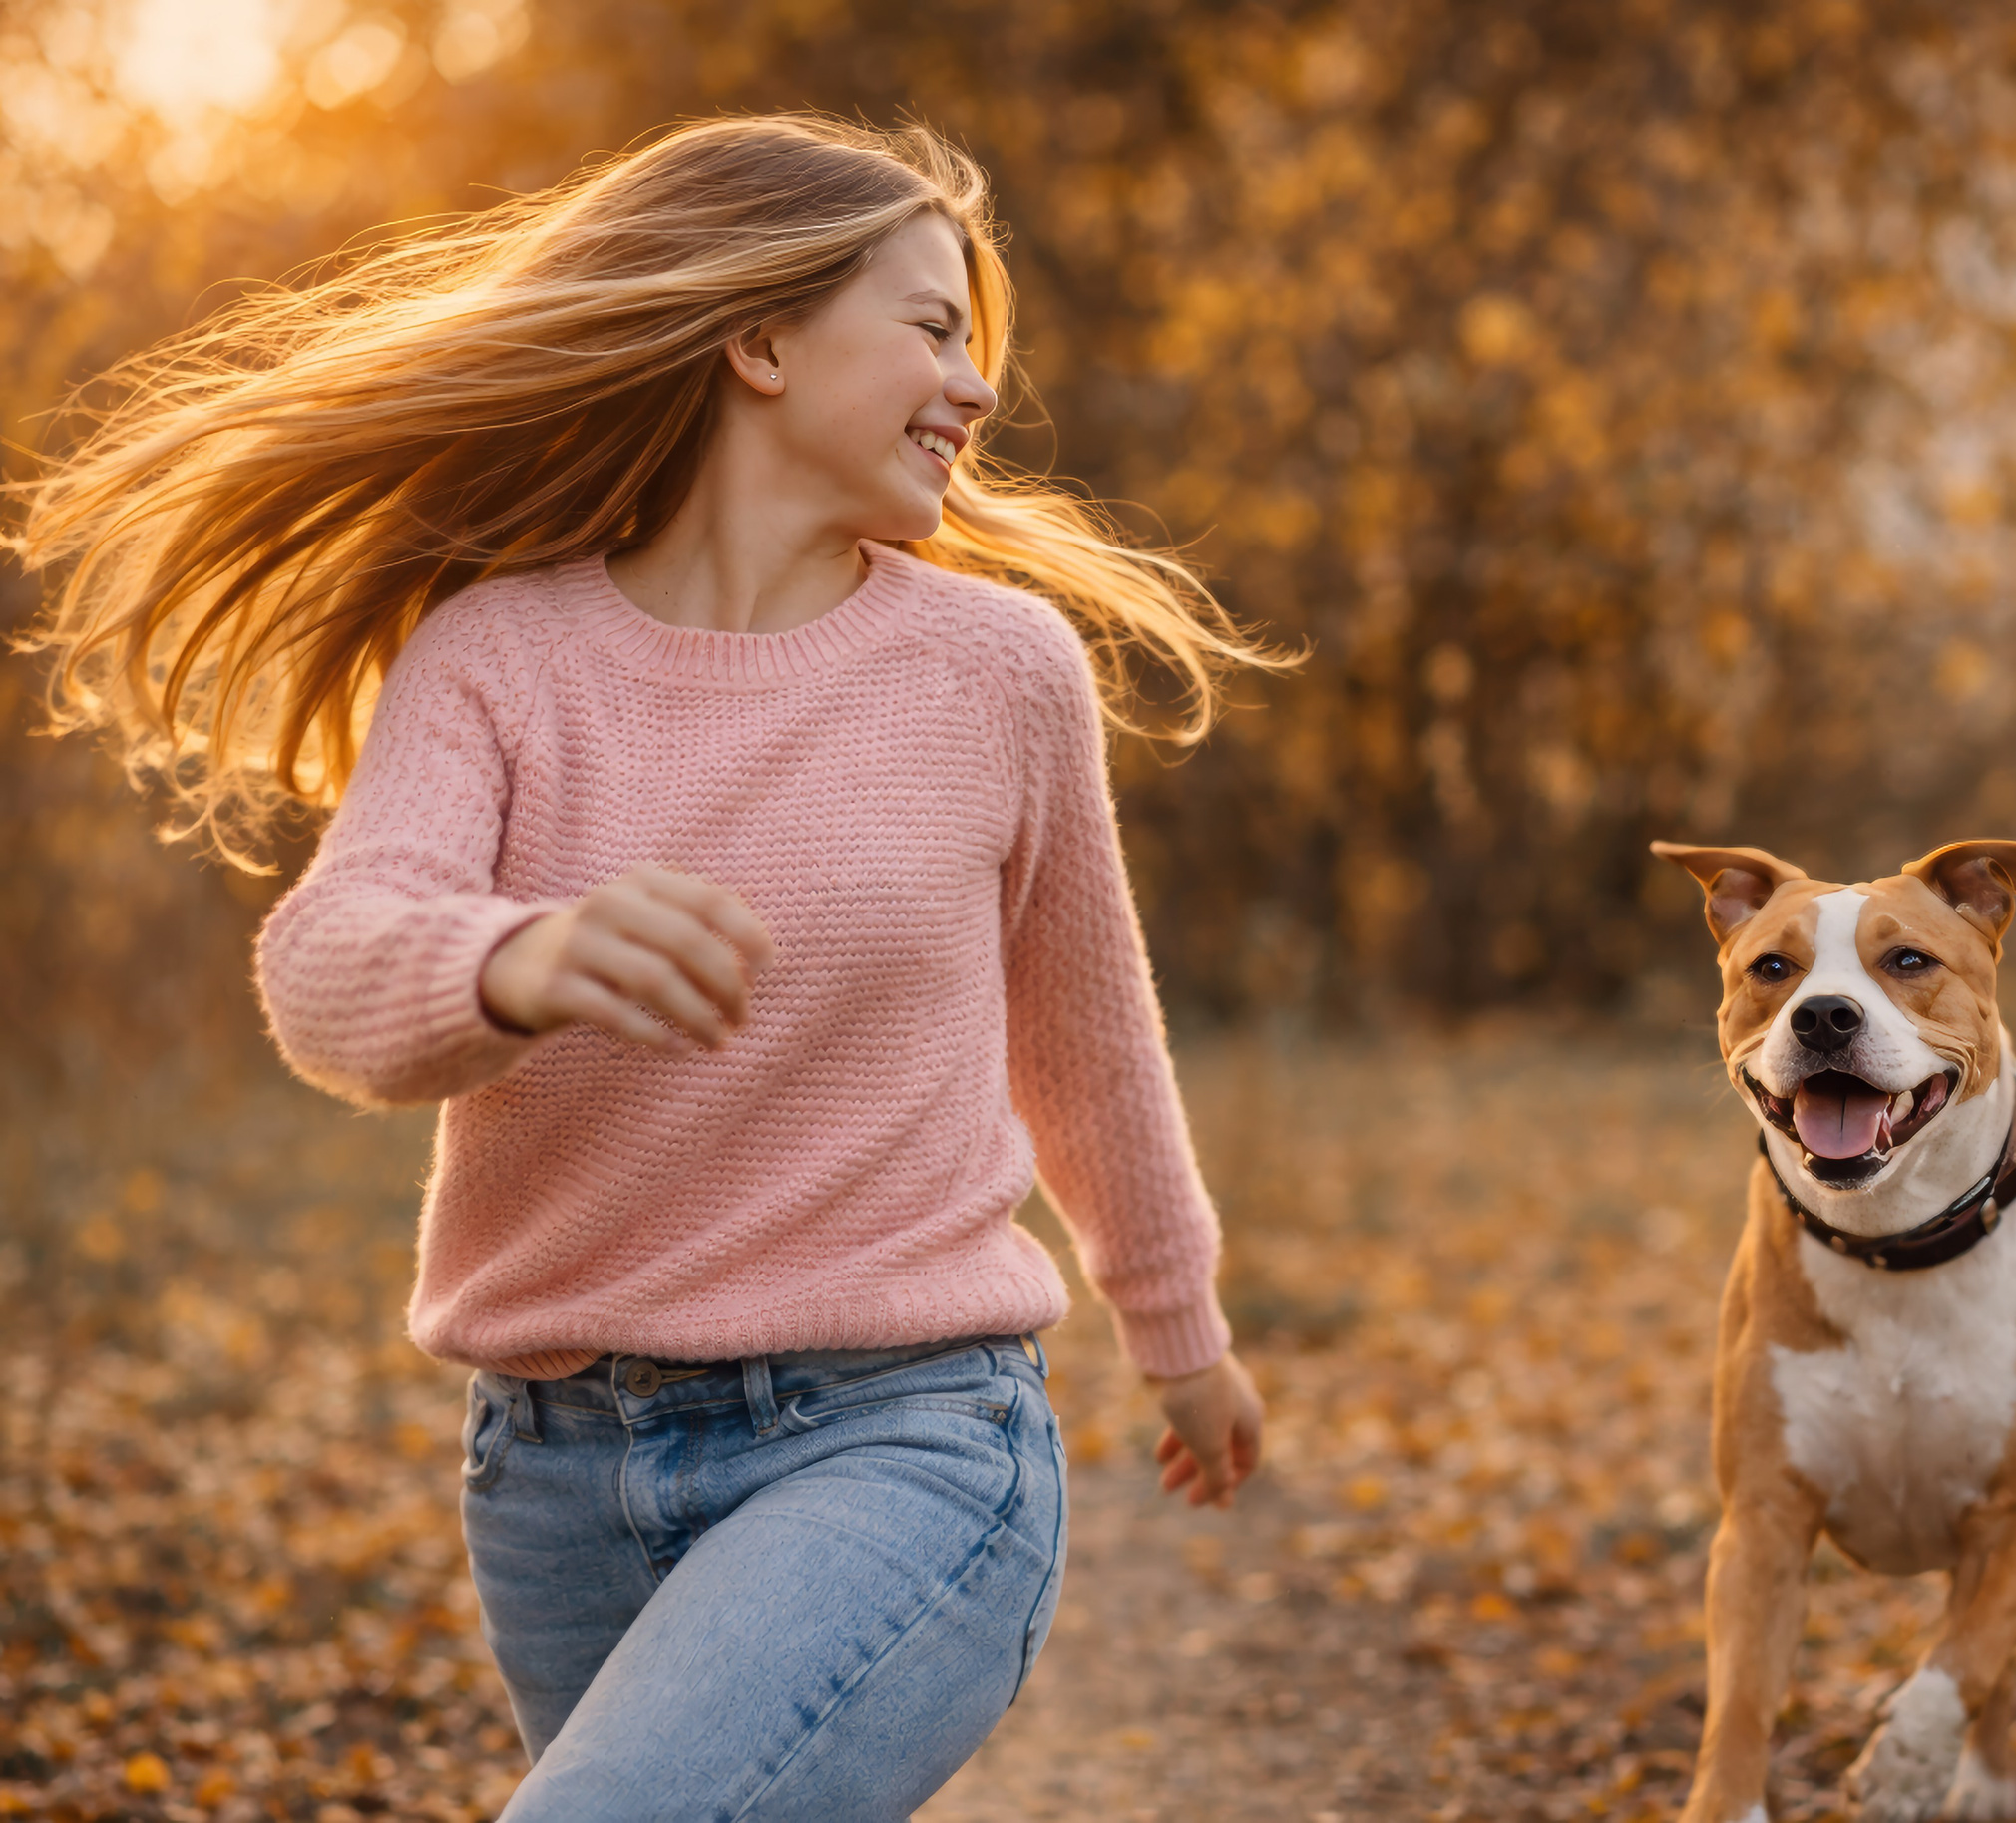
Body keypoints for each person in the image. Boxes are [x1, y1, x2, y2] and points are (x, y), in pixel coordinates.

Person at [14, 115, 1279, 1821]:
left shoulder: (998, 671)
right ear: (758, 341)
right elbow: (331, 969)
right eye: (928, 328)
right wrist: (516, 957)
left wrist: (1176, 1325)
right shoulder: (498, 658)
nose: (974, 386)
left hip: (904, 1437)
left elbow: (1086, 1035)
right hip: (549, 1474)